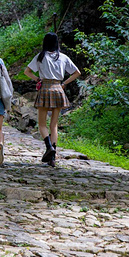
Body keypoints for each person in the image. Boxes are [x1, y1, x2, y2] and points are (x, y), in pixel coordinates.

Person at [23, 32, 81, 167]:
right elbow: (77, 72)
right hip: (58, 89)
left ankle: (49, 147)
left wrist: (37, 79)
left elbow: (27, 71)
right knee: (54, 125)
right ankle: (52, 158)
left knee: (42, 124)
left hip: (45, 89)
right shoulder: (63, 57)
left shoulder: (40, 57)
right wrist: (65, 83)